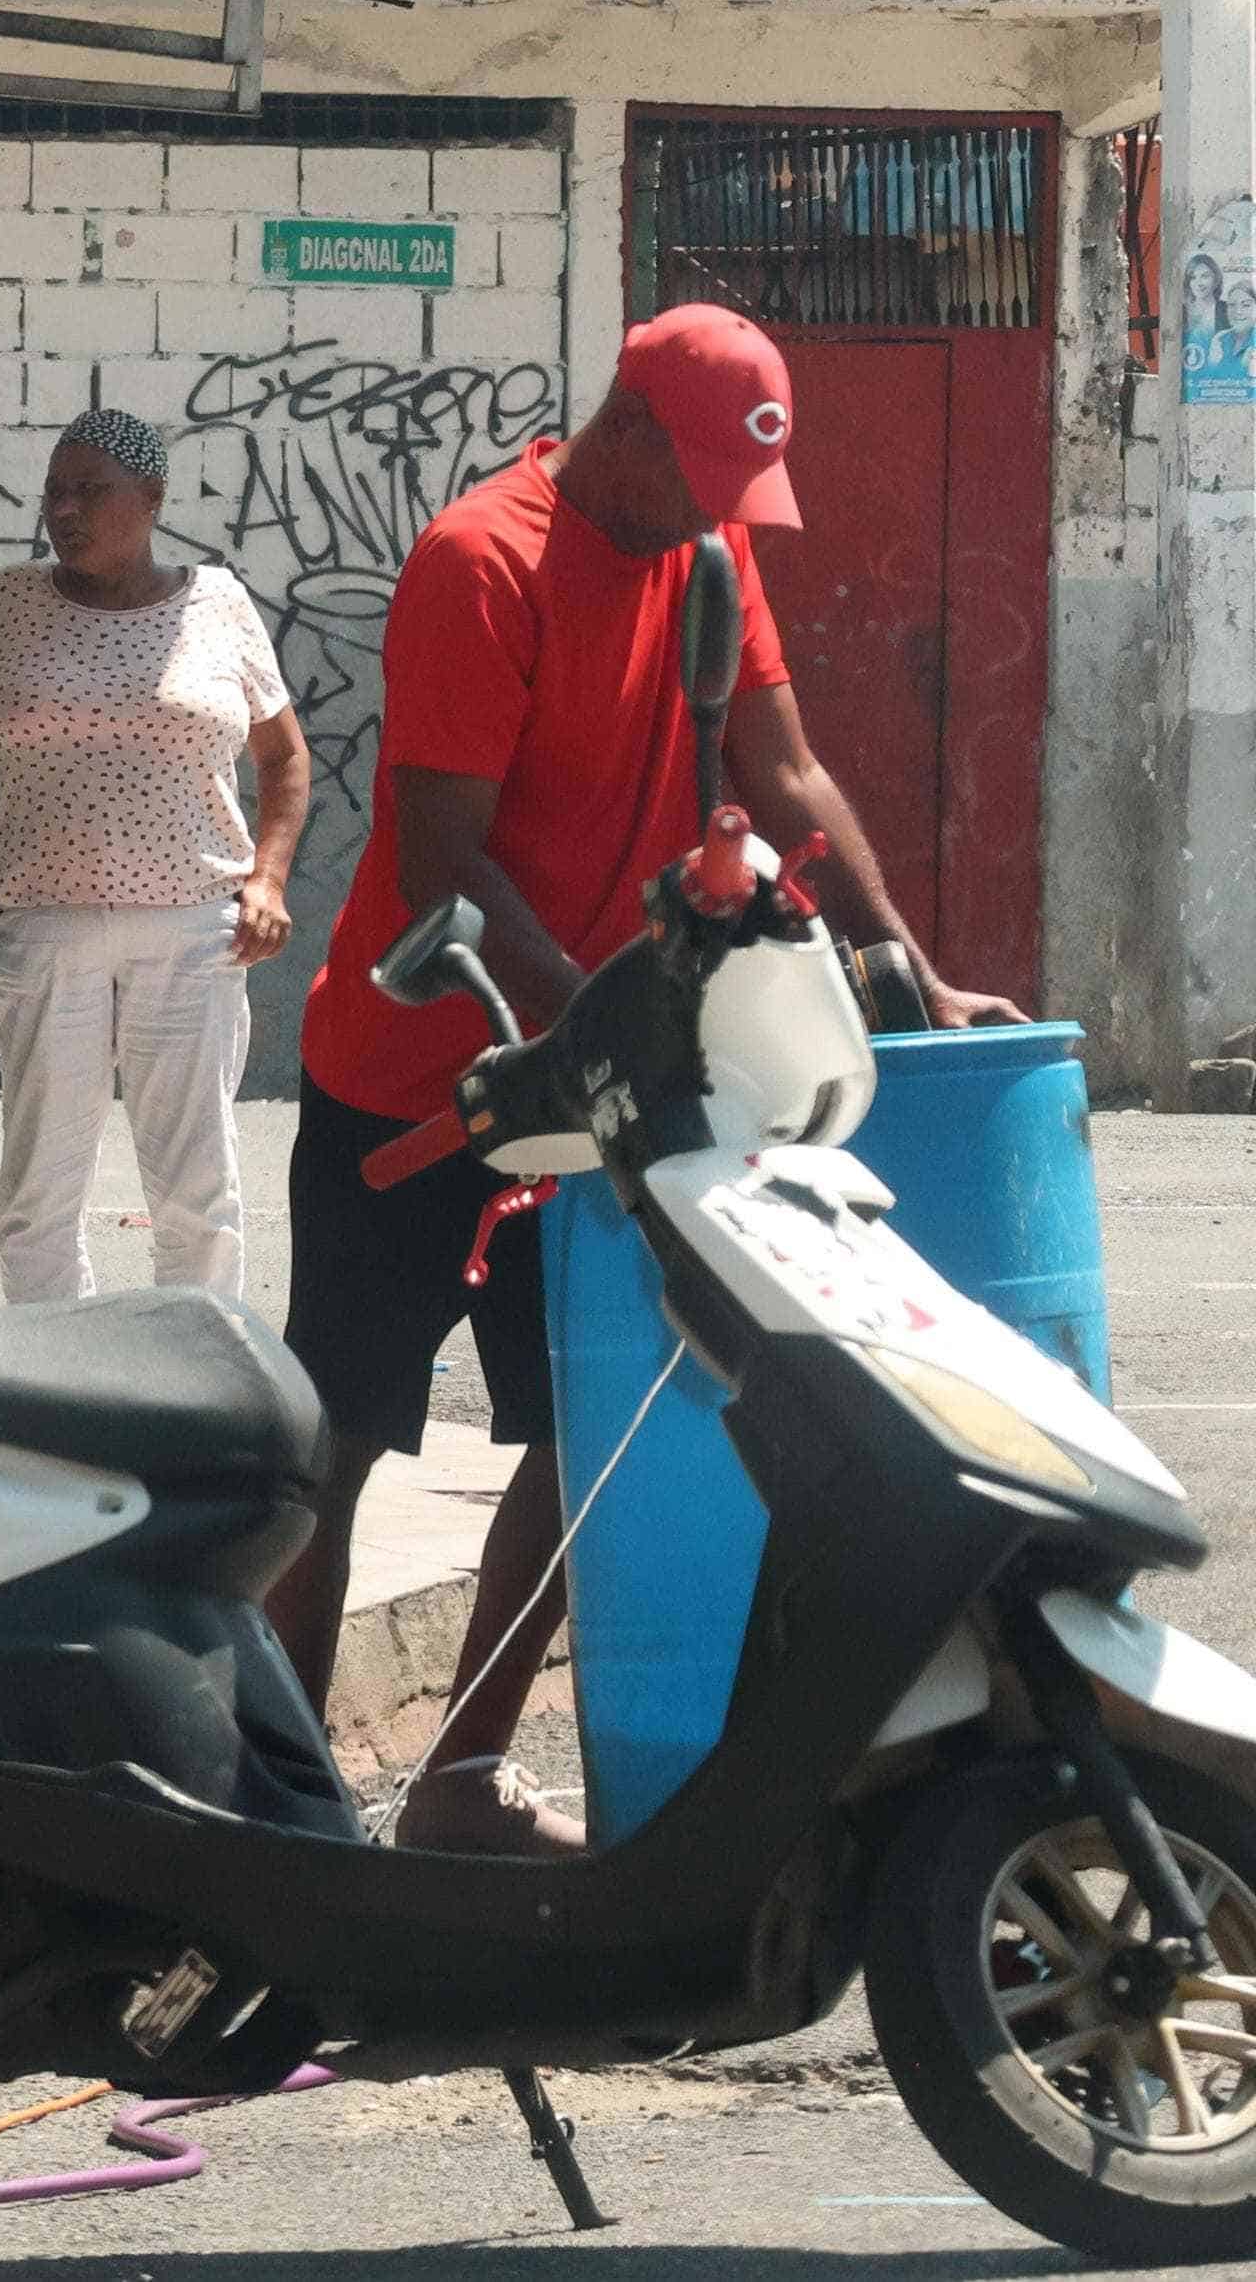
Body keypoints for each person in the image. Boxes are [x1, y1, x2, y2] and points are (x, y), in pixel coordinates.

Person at [268, 306, 1023, 1857]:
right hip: (419, 1077)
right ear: (621, 427)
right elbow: (440, 864)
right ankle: (275, 1798)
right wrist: (605, 1021)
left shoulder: (709, 567)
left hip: (599, 1094)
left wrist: (907, 962)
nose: (711, 522)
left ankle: (462, 1779)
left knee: (577, 1440)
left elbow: (787, 770)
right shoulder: (483, 561)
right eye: (695, 481)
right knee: (333, 1447)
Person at [0, 411, 308, 1306]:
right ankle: (59, 1386)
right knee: (38, 1197)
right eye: (55, 490)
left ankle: (199, 1380)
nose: (65, 509)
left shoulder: (217, 604)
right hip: (42, 925)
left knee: (197, 1192)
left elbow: (283, 757)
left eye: (91, 490)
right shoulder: (11, 603)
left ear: (154, 499)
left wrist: (269, 877)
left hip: (192, 931)